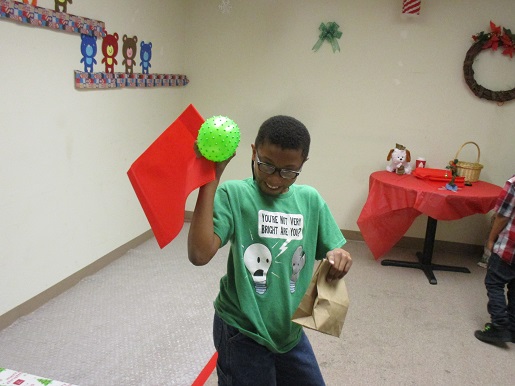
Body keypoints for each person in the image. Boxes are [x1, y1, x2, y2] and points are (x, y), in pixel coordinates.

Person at [188, 115, 352, 385]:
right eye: (266, 165)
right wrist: (212, 177)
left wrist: (340, 257)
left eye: (289, 171)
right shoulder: (235, 194)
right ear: (253, 152)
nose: (275, 178)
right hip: (242, 332)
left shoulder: (310, 200)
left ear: (302, 164)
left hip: (289, 334)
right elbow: (199, 254)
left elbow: (336, 249)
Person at [474, 174, 515, 344]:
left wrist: (491, 238)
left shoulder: (514, 182)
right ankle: (512, 327)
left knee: (495, 282)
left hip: (510, 247)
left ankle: (499, 327)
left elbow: (503, 215)